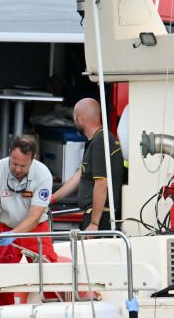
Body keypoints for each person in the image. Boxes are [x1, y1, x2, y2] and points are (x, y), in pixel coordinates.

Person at [0, 134, 58, 306]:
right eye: (14, 163)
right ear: (9, 153)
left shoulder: (43, 174)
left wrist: (14, 234)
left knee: (49, 272)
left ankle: (53, 311)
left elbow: (34, 215)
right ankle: (2, 315)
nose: (17, 169)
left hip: (35, 228)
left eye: (23, 166)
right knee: (2, 278)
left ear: (33, 159)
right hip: (3, 226)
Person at [52, 98, 127, 231]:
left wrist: (94, 223)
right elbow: (79, 175)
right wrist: (52, 199)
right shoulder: (98, 141)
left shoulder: (101, 141)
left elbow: (102, 183)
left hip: (100, 218)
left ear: (80, 119)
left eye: (74, 117)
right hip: (97, 216)